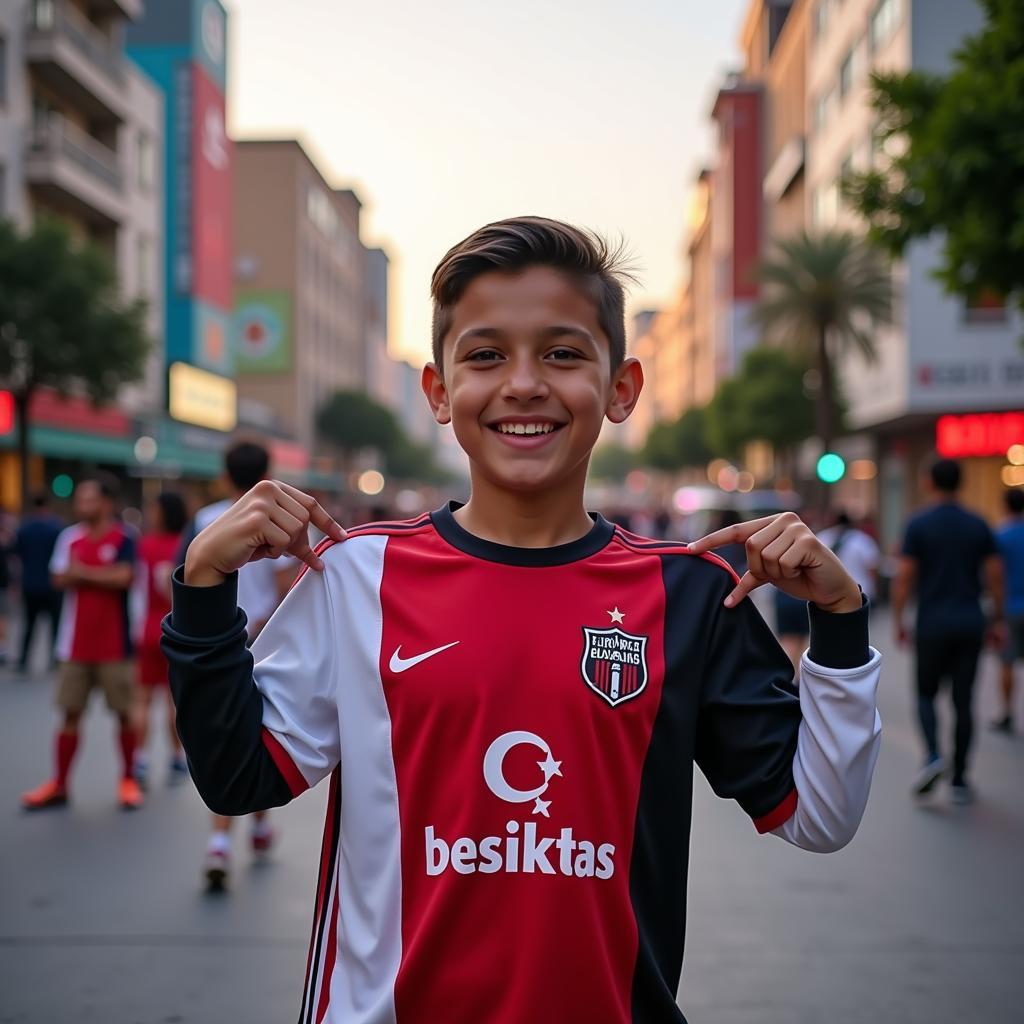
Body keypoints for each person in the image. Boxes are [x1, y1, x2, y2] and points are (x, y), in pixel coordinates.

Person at [162, 217, 882, 1022]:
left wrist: (841, 620)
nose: (525, 383)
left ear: (622, 389)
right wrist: (202, 589)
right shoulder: (358, 575)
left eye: (564, 353)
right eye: (485, 355)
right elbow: (236, 775)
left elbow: (816, 815)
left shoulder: (687, 597)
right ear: (439, 391)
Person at [178, 440, 298, 890]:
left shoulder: (206, 521)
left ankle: (222, 843)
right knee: (259, 736)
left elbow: (187, 588)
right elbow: (289, 586)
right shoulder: (282, 519)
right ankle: (248, 832)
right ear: (267, 470)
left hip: (216, 649)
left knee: (229, 738)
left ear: (224, 476)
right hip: (263, 643)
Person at [21, 475, 142, 811]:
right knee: (69, 713)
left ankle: (128, 779)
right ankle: (59, 783)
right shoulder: (69, 538)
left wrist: (84, 574)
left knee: (123, 714)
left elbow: (125, 577)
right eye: (81, 499)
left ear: (106, 503)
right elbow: (58, 578)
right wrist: (102, 575)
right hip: (74, 644)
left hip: (115, 643)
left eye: (89, 499)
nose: (83, 505)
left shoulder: (124, 538)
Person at [892, 458, 1003, 804]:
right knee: (963, 700)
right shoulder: (977, 523)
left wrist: (899, 618)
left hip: (932, 621)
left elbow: (905, 575)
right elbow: (995, 575)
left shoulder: (918, 524)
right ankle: (960, 778)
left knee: (926, 694)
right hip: (970, 620)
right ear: (961, 482)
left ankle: (932, 756)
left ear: (928, 482)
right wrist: (996, 619)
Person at [132, 492, 189, 787]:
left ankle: (139, 758)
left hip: (147, 628)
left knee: (141, 698)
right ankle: (177, 757)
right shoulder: (187, 545)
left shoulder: (144, 546)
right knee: (173, 701)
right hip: (176, 629)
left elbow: (137, 590)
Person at [14, 494, 64, 674]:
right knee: (55, 625)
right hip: (52, 584)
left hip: (30, 583)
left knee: (28, 624)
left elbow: (18, 556)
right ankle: (55, 659)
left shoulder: (24, 528)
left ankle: (23, 660)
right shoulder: (56, 528)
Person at [993, 488, 1024, 733]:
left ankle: (1008, 713)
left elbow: (994, 575)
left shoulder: (1001, 536)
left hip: (1010, 607)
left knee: (1007, 663)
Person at [818, 510, 880, 606]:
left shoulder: (821, 538)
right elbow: (872, 569)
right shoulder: (863, 540)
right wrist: (874, 591)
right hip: (860, 592)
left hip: (829, 594)